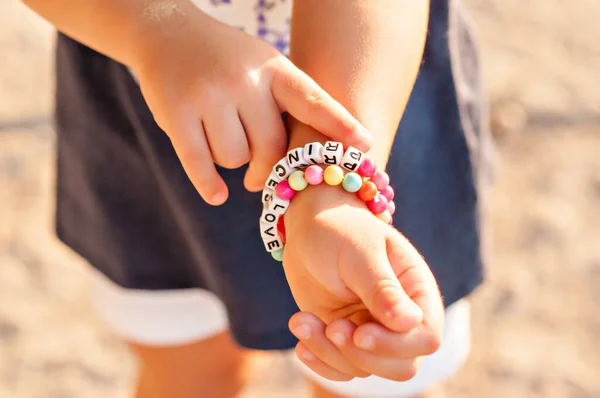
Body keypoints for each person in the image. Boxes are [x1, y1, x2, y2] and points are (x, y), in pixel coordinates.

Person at [22, 0, 491, 397]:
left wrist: (330, 186)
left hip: (367, 84)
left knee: (372, 365)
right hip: (143, 78)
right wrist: (155, 27)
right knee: (186, 366)